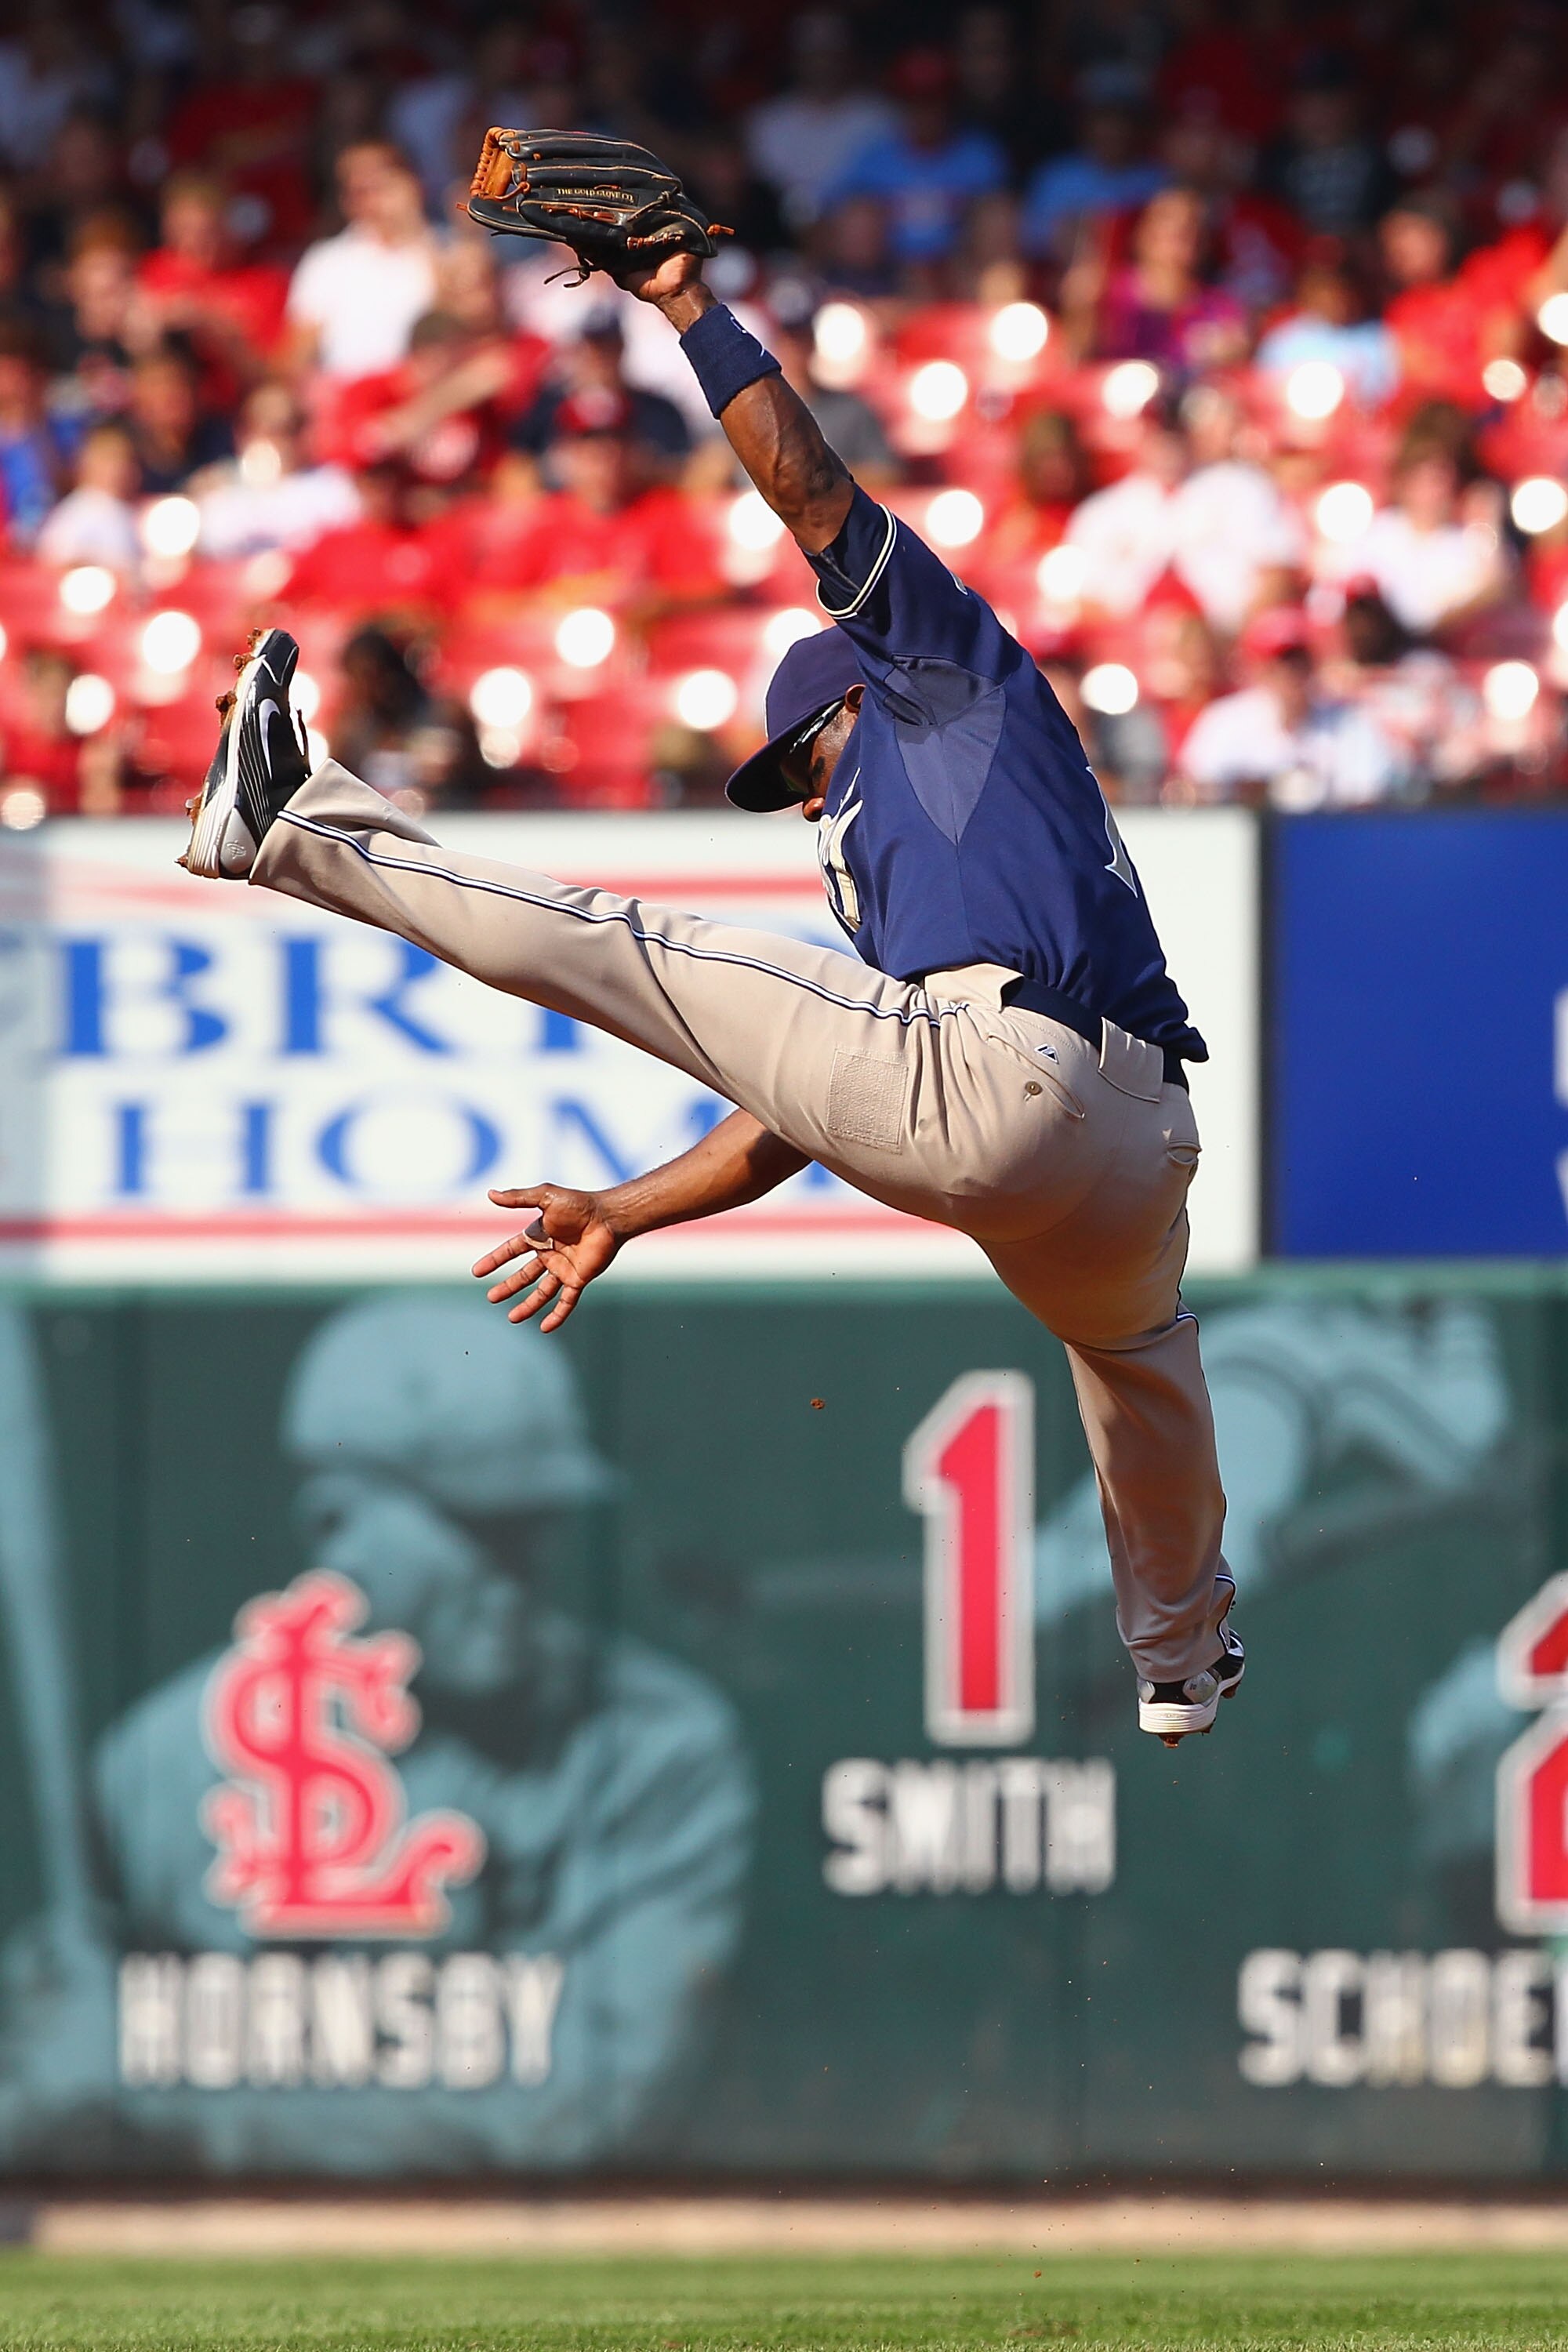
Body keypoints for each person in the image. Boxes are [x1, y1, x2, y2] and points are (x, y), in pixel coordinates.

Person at [180, 227, 1241, 1749]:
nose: (807, 800)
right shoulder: (915, 877)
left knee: (623, 942)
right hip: (1127, 1147)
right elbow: (805, 1103)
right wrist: (626, 1212)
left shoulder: (943, 675)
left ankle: (287, 823)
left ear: (855, 700)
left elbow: (812, 495)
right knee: (1145, 1379)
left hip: (1001, 1075)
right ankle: (1182, 1658)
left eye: (803, 762)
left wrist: (689, 308)